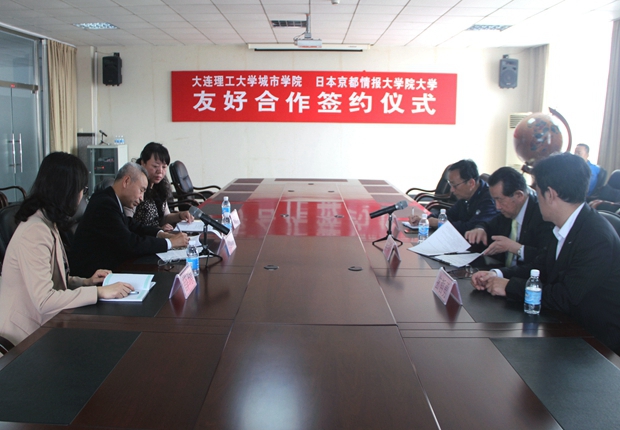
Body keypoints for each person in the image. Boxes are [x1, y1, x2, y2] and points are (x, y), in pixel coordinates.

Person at [471, 153, 620, 354]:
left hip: (594, 343)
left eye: (537, 192)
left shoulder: (595, 237)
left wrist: (509, 286)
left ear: (550, 194)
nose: (535, 197)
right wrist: (497, 274)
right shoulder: (561, 226)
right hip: (562, 324)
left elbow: (565, 297)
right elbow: (539, 268)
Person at [0, 153, 135, 348]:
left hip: (45, 323)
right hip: (23, 338)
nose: (82, 196)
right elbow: (45, 299)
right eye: (82, 190)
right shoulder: (35, 231)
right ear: (68, 191)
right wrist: (99, 292)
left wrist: (86, 282)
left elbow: (51, 278)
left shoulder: (46, 221)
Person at [69, 162, 189, 277]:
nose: (142, 198)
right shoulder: (104, 204)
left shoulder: (111, 199)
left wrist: (160, 234)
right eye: (141, 190)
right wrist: (170, 243)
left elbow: (131, 225)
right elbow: (130, 243)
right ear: (126, 181)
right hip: (95, 275)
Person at [464, 166, 554, 266]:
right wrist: (480, 228)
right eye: (494, 200)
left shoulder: (542, 215)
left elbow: (546, 258)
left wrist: (516, 248)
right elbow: (489, 224)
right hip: (501, 270)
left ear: (519, 195)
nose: (497, 207)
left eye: (500, 200)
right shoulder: (508, 211)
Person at [410, 159, 499, 234]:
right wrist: (425, 219)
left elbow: (470, 229)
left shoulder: (489, 200)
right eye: (450, 185)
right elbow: (449, 215)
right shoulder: (465, 197)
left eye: (454, 185)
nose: (452, 190)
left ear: (471, 183)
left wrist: (438, 223)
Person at [125, 142, 193, 230]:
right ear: (143, 163)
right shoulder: (134, 187)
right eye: (155, 166)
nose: (160, 171)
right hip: (143, 236)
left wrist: (180, 215)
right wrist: (158, 230)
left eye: (164, 167)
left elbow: (164, 217)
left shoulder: (160, 186)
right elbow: (128, 224)